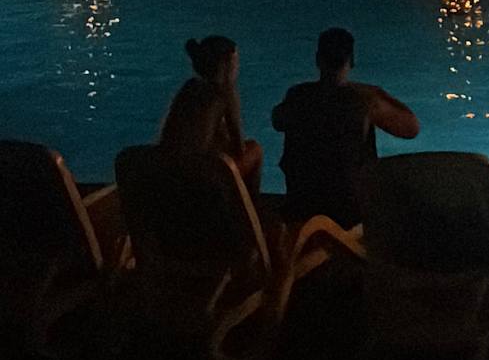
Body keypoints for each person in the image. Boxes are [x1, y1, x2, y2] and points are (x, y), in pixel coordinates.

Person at [272, 27, 419, 227]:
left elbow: (277, 121)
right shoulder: (365, 101)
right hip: (349, 213)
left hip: (300, 207)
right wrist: (376, 92)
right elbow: (411, 128)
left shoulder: (297, 96)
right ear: (352, 61)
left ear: (318, 60)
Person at [160, 35, 263, 195]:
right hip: (200, 172)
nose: (238, 66)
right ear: (227, 64)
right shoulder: (225, 92)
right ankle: (250, 206)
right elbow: (238, 148)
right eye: (236, 62)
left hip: (170, 168)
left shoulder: (189, 87)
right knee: (255, 149)